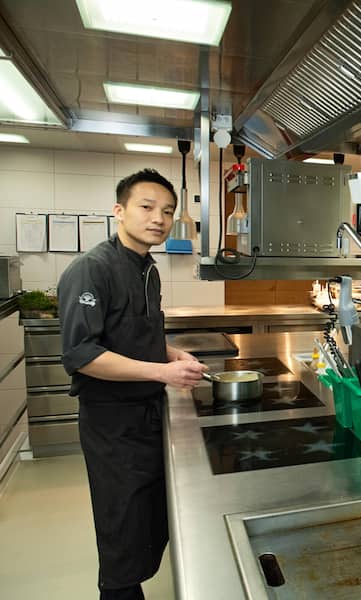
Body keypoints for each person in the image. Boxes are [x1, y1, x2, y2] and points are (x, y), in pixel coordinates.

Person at [58, 169, 207, 599]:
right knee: (121, 522)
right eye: (146, 207)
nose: (158, 219)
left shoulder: (148, 270)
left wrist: (170, 354)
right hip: (112, 423)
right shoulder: (91, 270)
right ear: (119, 210)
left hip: (146, 413)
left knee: (147, 515)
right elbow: (81, 355)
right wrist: (163, 373)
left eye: (167, 211)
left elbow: (138, 334)